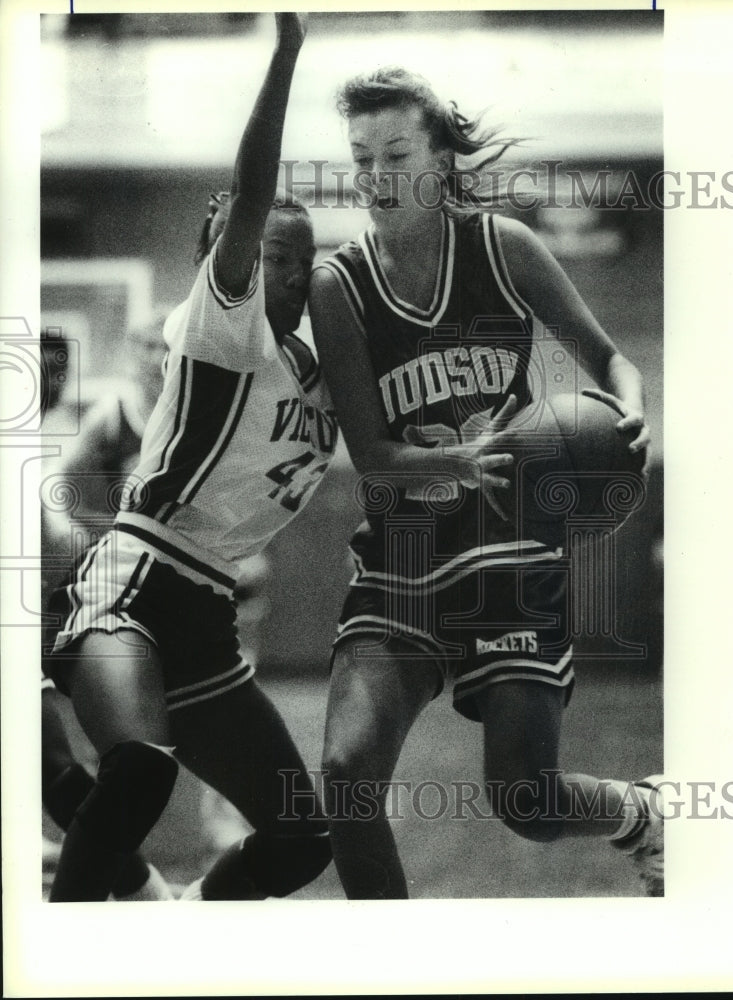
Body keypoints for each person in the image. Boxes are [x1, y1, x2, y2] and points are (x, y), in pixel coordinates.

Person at [309, 66, 664, 899]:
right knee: (345, 774)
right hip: (400, 560)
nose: (376, 175)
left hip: (509, 553)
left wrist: (632, 409)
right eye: (361, 158)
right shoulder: (338, 286)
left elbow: (608, 357)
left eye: (396, 152)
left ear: (439, 161)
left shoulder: (503, 247)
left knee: (526, 800)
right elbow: (369, 454)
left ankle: (642, 813)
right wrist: (454, 462)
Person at [44, 12, 335, 902]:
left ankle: (182, 923)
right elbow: (250, 194)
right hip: (135, 578)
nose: (282, 270)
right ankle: (61, 951)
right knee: (138, 771)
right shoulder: (216, 329)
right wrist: (285, 55)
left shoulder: (323, 379)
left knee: (300, 839)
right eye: (266, 254)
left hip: (210, 605)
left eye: (301, 260)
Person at [40, 330, 172, 901]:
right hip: (105, 578)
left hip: (156, 582)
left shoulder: (190, 408)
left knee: (70, 766)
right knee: (81, 763)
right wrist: (100, 542)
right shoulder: (111, 414)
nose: (52, 380)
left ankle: (142, 880)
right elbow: (61, 496)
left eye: (57, 369)